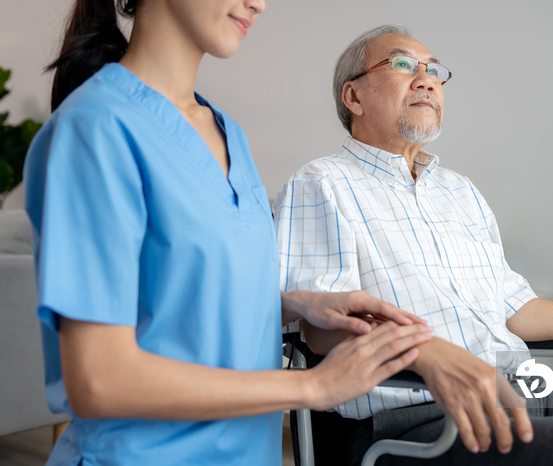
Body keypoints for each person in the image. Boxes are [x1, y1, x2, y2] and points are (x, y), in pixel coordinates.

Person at [23, 4, 435, 465]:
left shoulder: (227, 134)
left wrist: (291, 305)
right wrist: (313, 385)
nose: (257, 2)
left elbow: (178, 297)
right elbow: (99, 381)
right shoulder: (95, 129)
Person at [272, 24, 553, 466]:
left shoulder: (459, 191)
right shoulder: (322, 184)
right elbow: (320, 329)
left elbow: (513, 307)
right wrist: (425, 354)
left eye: (434, 70)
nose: (427, 79)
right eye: (402, 65)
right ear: (353, 97)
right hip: (417, 418)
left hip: (526, 391)